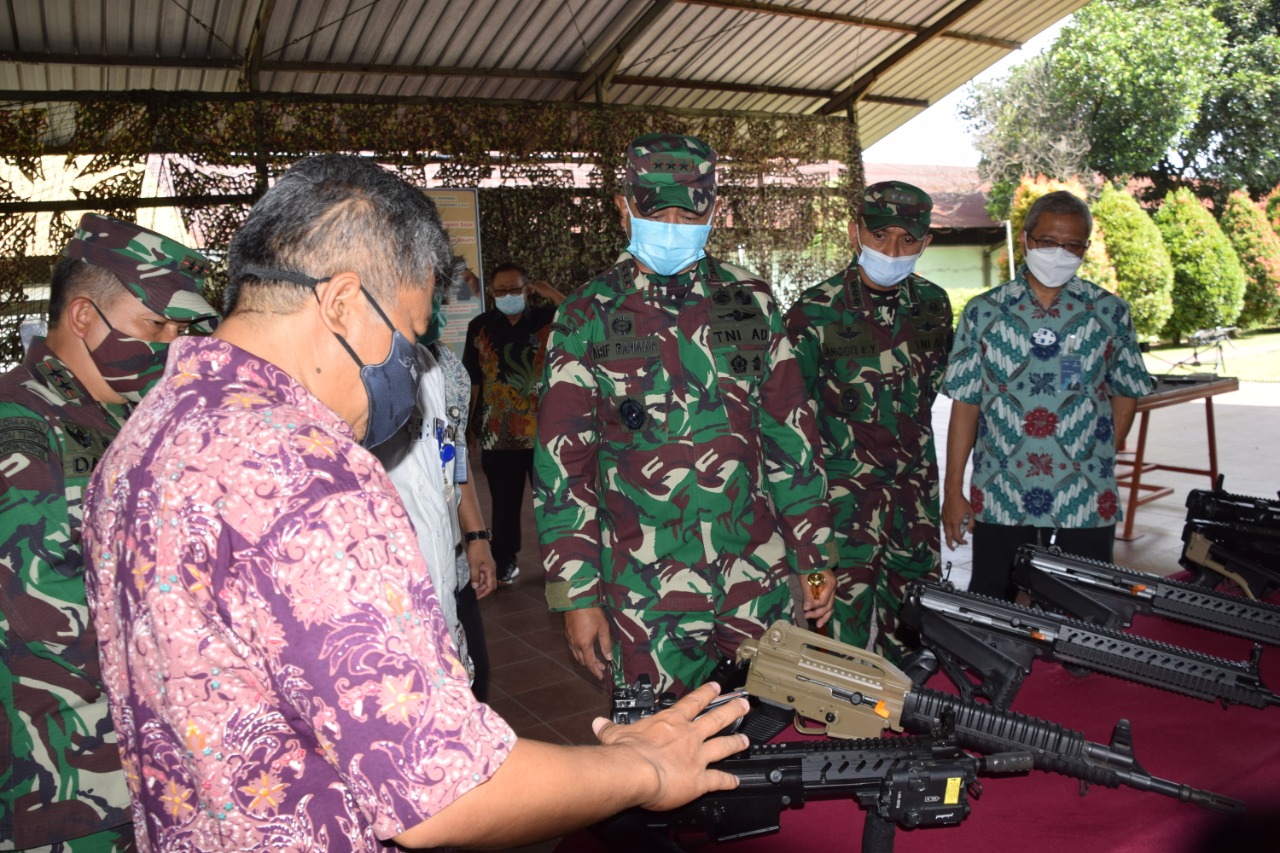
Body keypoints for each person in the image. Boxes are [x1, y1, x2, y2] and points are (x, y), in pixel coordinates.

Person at [81, 154, 749, 852]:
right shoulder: (305, 473)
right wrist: (645, 768)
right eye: (409, 335)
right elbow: (441, 790)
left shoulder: (146, 437)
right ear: (342, 301)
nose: (412, 364)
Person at [534, 133, 837, 696]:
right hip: (645, 595)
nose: (673, 225)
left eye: (689, 212)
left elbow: (790, 437)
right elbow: (563, 467)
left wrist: (814, 557)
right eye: (656, 210)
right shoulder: (585, 315)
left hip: (756, 580)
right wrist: (577, 595)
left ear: (714, 209)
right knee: (660, 739)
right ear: (623, 207)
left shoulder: (751, 302)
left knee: (762, 730)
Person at [0, 214, 218, 853]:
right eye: (155, 326)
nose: (172, 345)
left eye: (179, 330)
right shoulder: (22, 424)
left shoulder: (116, 417)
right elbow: (45, 617)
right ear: (83, 317)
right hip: (66, 776)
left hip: (134, 760)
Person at [941, 190, 1155, 600]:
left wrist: (1098, 455)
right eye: (1048, 241)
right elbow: (965, 403)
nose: (1059, 253)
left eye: (1072, 245)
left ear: (1085, 248)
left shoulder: (1109, 312)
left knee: (1085, 605)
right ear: (1026, 240)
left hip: (1085, 495)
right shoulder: (984, 312)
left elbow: (1126, 390)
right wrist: (954, 490)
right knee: (993, 603)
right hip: (1001, 491)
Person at [786, 181, 952, 663]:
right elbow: (790, 424)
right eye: (880, 235)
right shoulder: (815, 310)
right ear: (855, 230)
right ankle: (839, 708)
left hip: (915, 501)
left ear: (925, 242)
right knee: (837, 634)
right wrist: (806, 536)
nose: (892, 251)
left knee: (915, 625)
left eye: (908, 240)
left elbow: (933, 392)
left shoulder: (934, 306)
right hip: (841, 509)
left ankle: (908, 708)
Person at [375, 266, 495, 701]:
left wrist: (476, 536)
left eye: (440, 300)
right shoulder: (363, 371)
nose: (436, 312)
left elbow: (453, 457)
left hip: (449, 560)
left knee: (474, 681)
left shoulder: (447, 369)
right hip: (393, 572)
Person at [462, 262, 565, 586]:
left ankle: (562, 562)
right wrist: (468, 424)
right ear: (492, 292)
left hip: (546, 432)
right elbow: (474, 380)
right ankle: (505, 560)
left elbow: (583, 317)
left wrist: (551, 293)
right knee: (504, 504)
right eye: (501, 290)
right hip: (498, 434)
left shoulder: (548, 319)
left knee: (555, 501)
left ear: (527, 289)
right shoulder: (480, 326)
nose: (508, 295)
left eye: (514, 289)